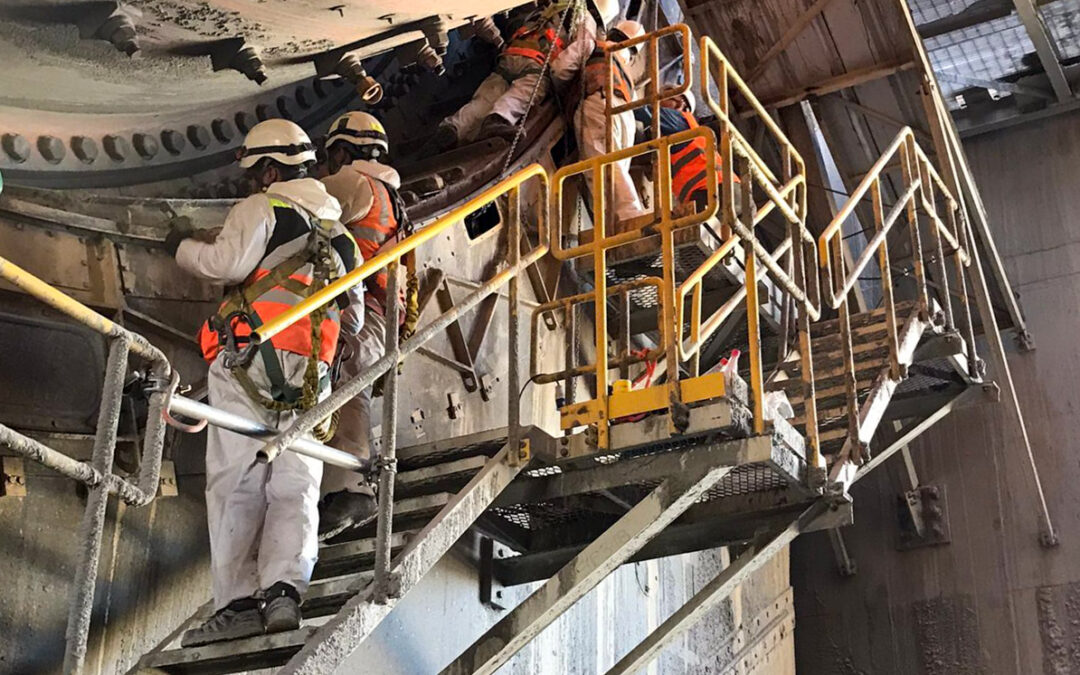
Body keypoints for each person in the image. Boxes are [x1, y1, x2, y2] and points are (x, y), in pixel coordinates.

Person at [166, 119, 363, 647]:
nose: (254, 183)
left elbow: (223, 262)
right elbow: (357, 320)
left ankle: (235, 603)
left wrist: (180, 246)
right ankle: (283, 592)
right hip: (311, 379)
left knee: (235, 482)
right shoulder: (343, 239)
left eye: (256, 173)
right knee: (296, 485)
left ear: (270, 169)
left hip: (249, 367)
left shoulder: (262, 209)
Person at [317, 111, 407, 540]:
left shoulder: (352, 183)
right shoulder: (389, 192)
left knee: (345, 375)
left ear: (341, 151)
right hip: (383, 314)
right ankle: (345, 485)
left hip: (363, 312)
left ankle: (351, 485)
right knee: (347, 377)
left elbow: (299, 205)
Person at [552, 16, 648, 226]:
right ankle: (616, 223)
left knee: (601, 167)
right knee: (615, 169)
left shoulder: (594, 45)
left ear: (612, 32)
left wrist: (562, 95)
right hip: (626, 116)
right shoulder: (625, 69)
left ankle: (627, 220)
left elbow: (558, 69)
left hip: (599, 104)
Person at [435, 0, 571, 148]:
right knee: (521, 94)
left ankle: (452, 129)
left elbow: (512, 26)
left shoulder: (533, 16)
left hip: (509, 57)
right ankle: (497, 120)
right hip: (535, 63)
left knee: (484, 99)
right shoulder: (567, 26)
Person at [633, 90, 740, 214]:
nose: (658, 100)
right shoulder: (689, 132)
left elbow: (639, 110)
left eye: (664, 96)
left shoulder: (678, 119)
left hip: (713, 189)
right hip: (719, 191)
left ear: (680, 103)